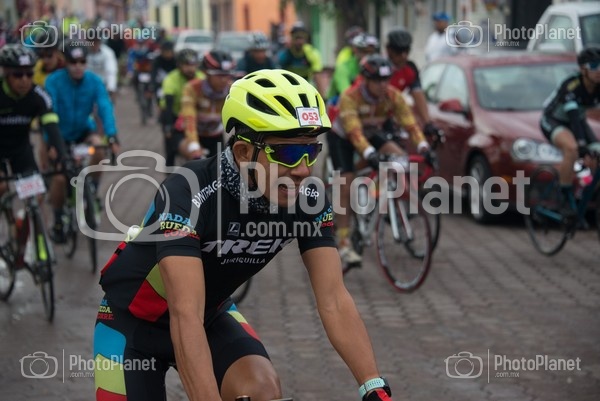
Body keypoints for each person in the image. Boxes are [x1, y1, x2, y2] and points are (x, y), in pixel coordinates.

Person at [93, 68, 394, 401]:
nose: (303, 169)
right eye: (288, 153)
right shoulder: (189, 191)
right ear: (242, 153)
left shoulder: (308, 199)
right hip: (131, 325)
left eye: (310, 151)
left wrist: (373, 386)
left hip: (209, 315)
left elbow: (334, 298)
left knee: (262, 390)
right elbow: (184, 313)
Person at [327, 54, 430, 266]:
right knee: (346, 183)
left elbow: (410, 123)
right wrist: (368, 154)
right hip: (343, 137)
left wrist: (423, 146)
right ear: (366, 80)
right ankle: (344, 241)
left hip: (372, 133)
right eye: (377, 80)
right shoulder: (350, 97)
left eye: (386, 79)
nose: (383, 85)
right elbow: (354, 133)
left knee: (398, 156)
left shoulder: (392, 95)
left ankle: (374, 193)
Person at [44, 44, 120, 243]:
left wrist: (112, 135)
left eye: (82, 62)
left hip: (83, 131)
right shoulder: (53, 81)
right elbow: (48, 113)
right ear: (65, 62)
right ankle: (58, 218)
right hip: (59, 134)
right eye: (73, 62)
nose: (78, 66)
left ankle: (91, 189)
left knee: (99, 148)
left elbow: (104, 106)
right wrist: (51, 144)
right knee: (59, 179)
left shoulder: (94, 81)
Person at [540, 45, 600, 226]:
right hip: (554, 120)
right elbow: (573, 119)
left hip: (578, 121)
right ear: (582, 69)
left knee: (597, 153)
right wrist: (582, 145)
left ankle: (586, 192)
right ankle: (564, 197)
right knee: (572, 148)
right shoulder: (572, 85)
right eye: (594, 65)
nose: (599, 70)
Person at [0, 44, 67, 191]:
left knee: (36, 192)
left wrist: (61, 155)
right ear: (6, 74)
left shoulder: (39, 96)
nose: (24, 80)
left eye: (29, 74)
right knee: (2, 186)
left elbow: (51, 126)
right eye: (18, 75)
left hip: (20, 148)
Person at [177, 49, 236, 159]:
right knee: (193, 157)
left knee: (220, 164)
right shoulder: (192, 88)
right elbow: (189, 117)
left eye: (227, 75)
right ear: (206, 73)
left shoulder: (232, 89)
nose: (224, 80)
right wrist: (194, 146)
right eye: (219, 75)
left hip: (215, 134)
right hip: (192, 132)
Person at [385, 29, 442, 140]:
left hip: (392, 116)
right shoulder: (381, 68)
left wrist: (428, 123)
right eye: (399, 51)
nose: (403, 56)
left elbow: (418, 95)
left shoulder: (410, 68)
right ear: (388, 50)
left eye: (407, 51)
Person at [159, 48, 204, 165]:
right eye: (186, 65)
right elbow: (168, 104)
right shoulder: (171, 78)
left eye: (193, 65)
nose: (190, 69)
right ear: (179, 65)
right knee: (170, 148)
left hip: (195, 116)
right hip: (173, 114)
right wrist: (168, 126)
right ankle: (169, 170)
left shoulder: (201, 77)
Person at [327, 32, 379, 101]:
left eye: (372, 53)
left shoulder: (376, 67)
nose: (368, 56)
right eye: (365, 52)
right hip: (338, 102)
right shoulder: (343, 68)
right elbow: (347, 94)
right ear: (356, 50)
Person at [278, 22, 323, 89]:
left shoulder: (312, 54)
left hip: (305, 87)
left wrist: (322, 95)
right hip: (288, 88)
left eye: (302, 38)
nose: (299, 41)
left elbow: (318, 76)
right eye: (297, 38)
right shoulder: (285, 55)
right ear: (292, 38)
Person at [88, 34, 119, 101]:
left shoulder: (108, 53)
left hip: (103, 85)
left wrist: (111, 88)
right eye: (91, 41)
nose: (94, 44)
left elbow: (111, 71)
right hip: (87, 85)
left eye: (96, 42)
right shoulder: (84, 52)